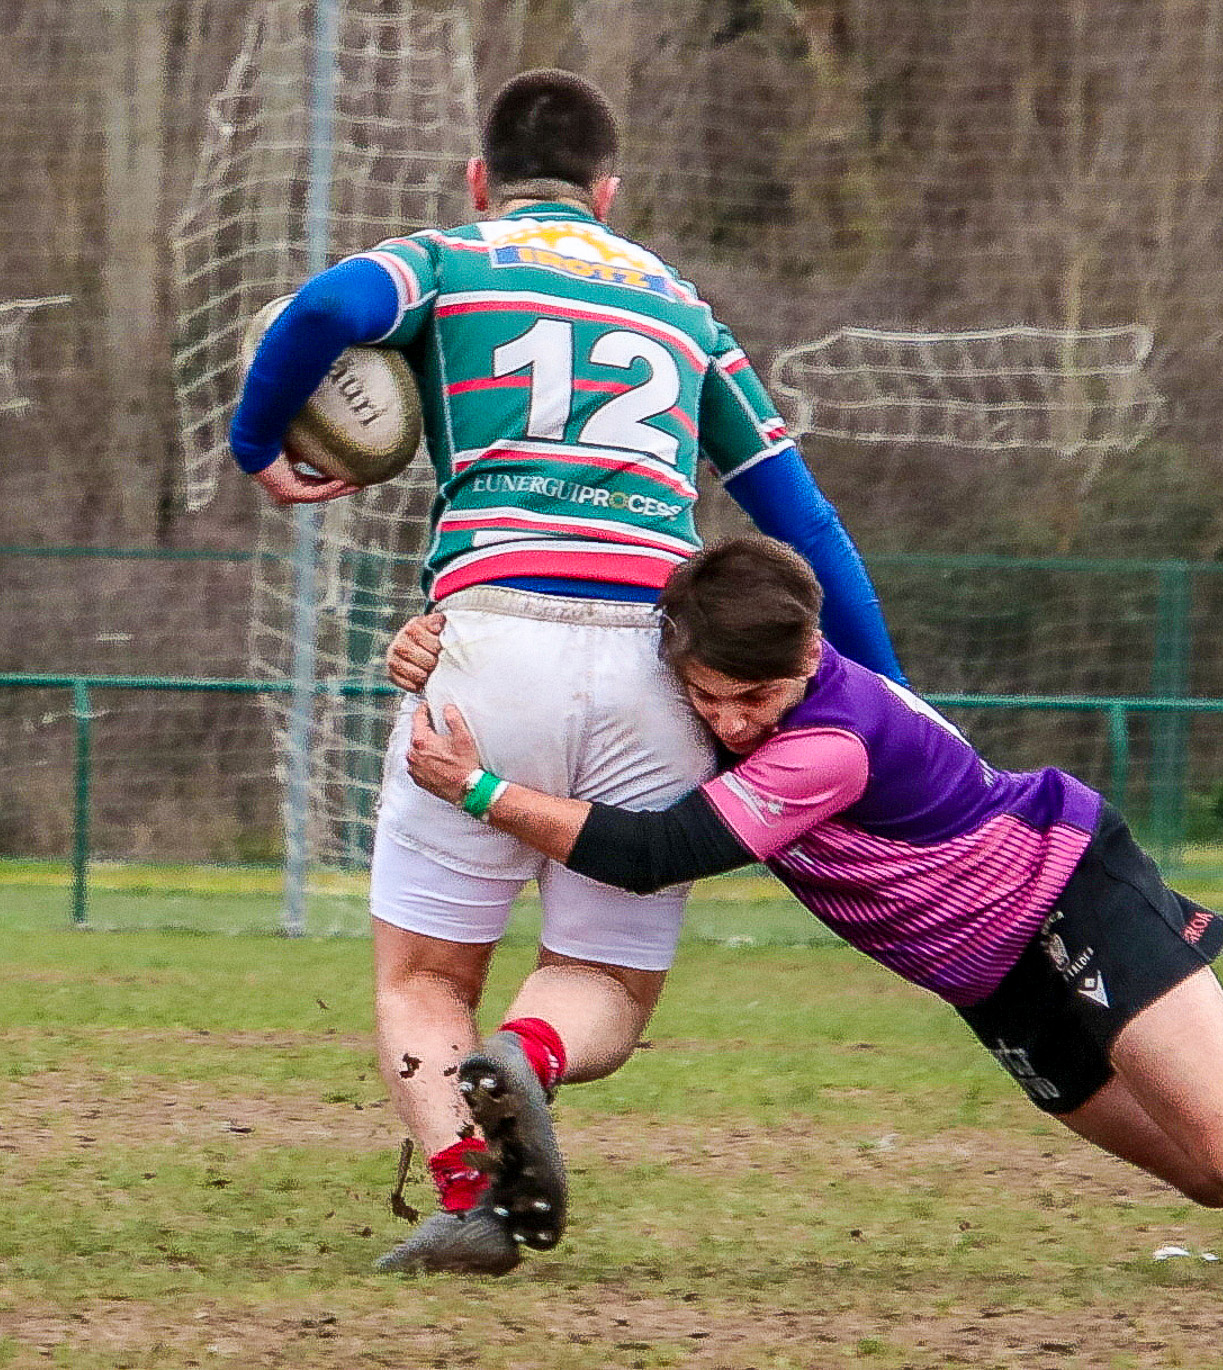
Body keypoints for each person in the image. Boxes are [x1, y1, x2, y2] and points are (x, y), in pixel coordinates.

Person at [392, 534, 1223, 1277]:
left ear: (806, 667)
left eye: (755, 704)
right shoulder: (704, 672)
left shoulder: (825, 739)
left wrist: (482, 782)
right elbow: (592, 641)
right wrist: (436, 644)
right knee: (1220, 1160)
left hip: (1066, 899)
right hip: (993, 978)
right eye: (712, 698)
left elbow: (657, 846)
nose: (729, 723)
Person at [231, 72, 906, 1275]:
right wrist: (890, 696)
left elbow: (328, 305)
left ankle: (471, 1194)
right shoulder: (682, 309)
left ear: (482, 180)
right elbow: (803, 521)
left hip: (485, 647)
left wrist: (257, 447)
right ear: (609, 193)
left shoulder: (449, 257)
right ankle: (527, 1060)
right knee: (601, 976)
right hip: (658, 658)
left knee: (428, 975)